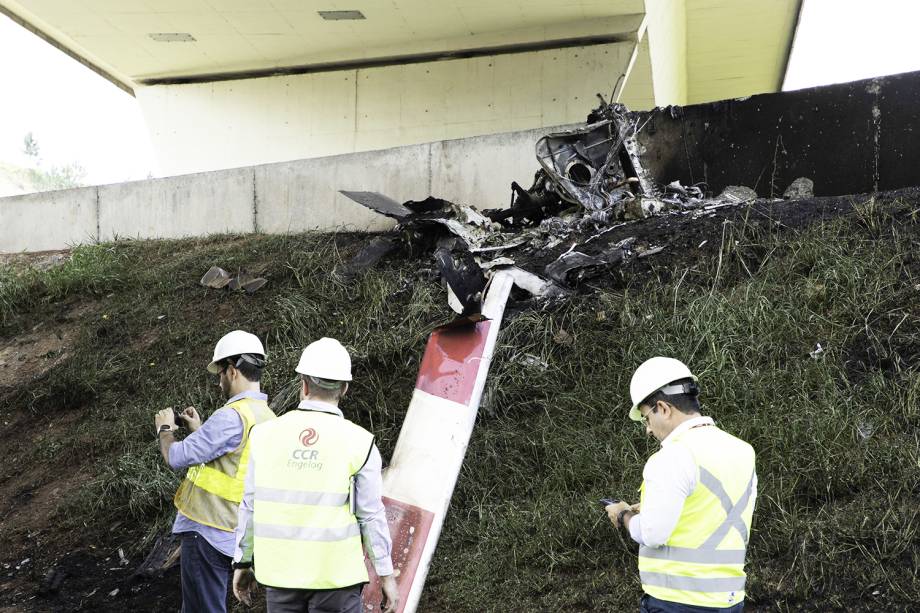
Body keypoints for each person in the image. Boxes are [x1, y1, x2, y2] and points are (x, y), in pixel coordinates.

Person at [231, 337, 399, 613]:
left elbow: (250, 505)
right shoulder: (360, 442)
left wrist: (243, 561)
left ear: (304, 385)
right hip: (337, 581)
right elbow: (371, 516)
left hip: (281, 577)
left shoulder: (263, 436)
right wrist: (386, 576)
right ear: (344, 389)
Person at [605, 357, 757, 613]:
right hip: (728, 600)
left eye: (645, 418)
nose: (648, 430)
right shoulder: (743, 451)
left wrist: (623, 514)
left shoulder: (671, 457)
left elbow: (652, 534)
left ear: (663, 408)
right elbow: (717, 510)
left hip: (677, 601)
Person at [154, 330, 276, 613]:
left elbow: (176, 456)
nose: (219, 380)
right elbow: (236, 461)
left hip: (206, 530)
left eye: (220, 372)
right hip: (231, 531)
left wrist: (165, 429)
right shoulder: (267, 417)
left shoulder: (231, 416)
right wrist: (200, 431)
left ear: (232, 371)